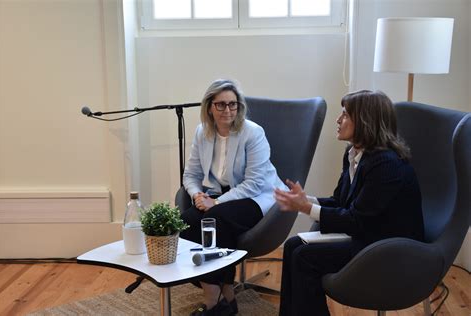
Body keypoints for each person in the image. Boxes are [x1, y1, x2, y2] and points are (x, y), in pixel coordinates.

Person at [274, 90, 425, 316]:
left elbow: (355, 219)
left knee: (305, 258)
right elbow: (340, 201)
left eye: (345, 115)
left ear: (365, 121)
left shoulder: (386, 164)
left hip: (387, 248)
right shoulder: (354, 154)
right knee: (293, 246)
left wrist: (306, 208)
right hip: (366, 235)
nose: (338, 119)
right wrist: (306, 201)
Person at [180, 79, 287, 316]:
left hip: (259, 196)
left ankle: (212, 299)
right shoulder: (202, 132)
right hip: (220, 195)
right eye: (220, 105)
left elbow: (255, 183)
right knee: (187, 222)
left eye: (233, 104)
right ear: (209, 107)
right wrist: (197, 194)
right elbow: (191, 174)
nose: (227, 110)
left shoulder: (253, 132)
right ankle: (225, 293)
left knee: (216, 219)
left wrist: (215, 202)